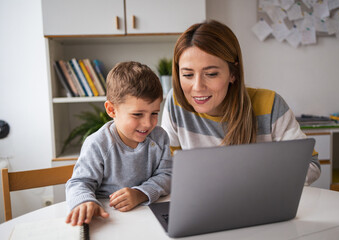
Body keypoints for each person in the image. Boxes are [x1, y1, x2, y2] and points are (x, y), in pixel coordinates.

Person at [161, 20, 320, 185]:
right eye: (187, 75)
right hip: (200, 206)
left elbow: (311, 166)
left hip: (257, 204)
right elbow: (165, 167)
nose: (198, 87)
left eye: (211, 74)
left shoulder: (270, 105)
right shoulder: (176, 103)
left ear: (233, 73)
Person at [65, 61, 172, 226]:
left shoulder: (160, 137)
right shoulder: (97, 144)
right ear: (111, 110)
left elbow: (167, 175)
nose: (148, 123)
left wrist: (140, 193)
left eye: (154, 113)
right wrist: (84, 202)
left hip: (148, 218)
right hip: (110, 219)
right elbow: (79, 183)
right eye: (137, 114)